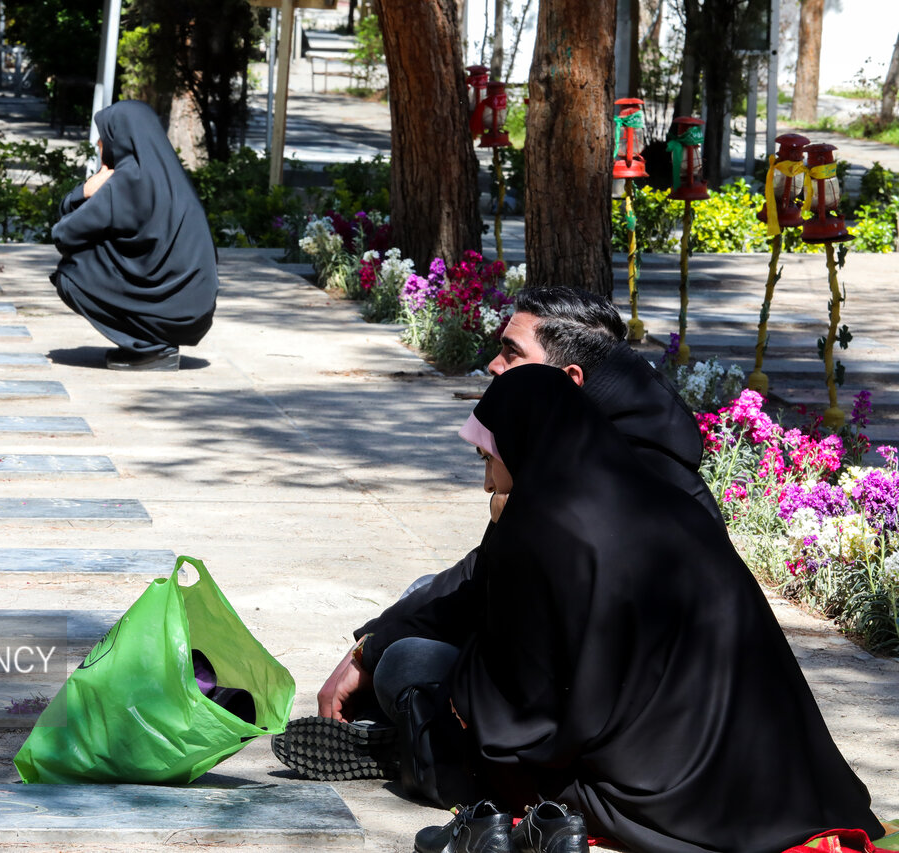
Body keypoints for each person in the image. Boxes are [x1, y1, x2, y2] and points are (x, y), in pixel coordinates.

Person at [377, 365, 883, 853]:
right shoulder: (668, 499)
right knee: (432, 620)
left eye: (489, 458)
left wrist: (500, 541)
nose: (488, 483)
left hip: (654, 789)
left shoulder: (537, 526)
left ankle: (413, 751)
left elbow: (522, 704)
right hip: (773, 775)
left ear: (523, 443)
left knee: (408, 663)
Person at [274, 287, 723, 778]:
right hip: (577, 679)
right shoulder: (588, 442)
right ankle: (417, 730)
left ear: (568, 379)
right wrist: (367, 645)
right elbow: (483, 573)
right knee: (421, 597)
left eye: (512, 353)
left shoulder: (612, 477)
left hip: (609, 721)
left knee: (409, 661)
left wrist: (388, 654)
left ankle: (424, 749)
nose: (493, 365)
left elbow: (537, 624)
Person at [51, 100, 219, 371]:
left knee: (71, 274)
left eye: (104, 137)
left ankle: (153, 350)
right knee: (100, 248)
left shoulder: (128, 181)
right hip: (194, 310)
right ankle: (151, 341)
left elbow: (63, 234)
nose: (99, 145)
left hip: (173, 312)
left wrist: (82, 192)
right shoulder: (169, 176)